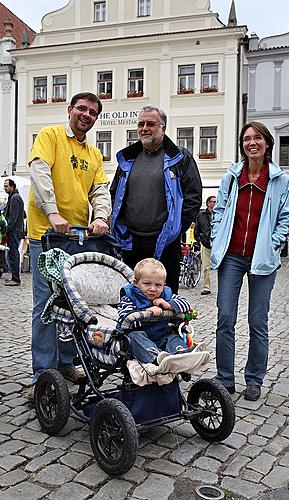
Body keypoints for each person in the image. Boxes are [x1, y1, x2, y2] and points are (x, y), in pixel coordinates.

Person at [211, 122, 289, 401]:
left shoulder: (281, 180)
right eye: (247, 138)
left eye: (257, 138)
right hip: (232, 257)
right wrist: (217, 237)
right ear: (242, 144)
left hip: (262, 258)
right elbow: (219, 211)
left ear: (267, 143)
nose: (252, 143)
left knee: (257, 321)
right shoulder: (231, 177)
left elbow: (288, 217)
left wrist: (273, 245)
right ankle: (225, 378)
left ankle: (254, 379)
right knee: (225, 317)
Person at [28, 92, 111, 385]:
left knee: (73, 303)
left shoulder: (94, 154)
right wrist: (51, 212)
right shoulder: (50, 136)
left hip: (76, 238)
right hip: (46, 236)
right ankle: (44, 376)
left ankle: (65, 363)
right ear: (70, 110)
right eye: (82, 109)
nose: (86, 115)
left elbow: (100, 189)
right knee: (46, 305)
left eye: (92, 112)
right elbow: (39, 172)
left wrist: (101, 217)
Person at [110, 105, 202, 293]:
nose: (145, 128)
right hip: (131, 243)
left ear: (163, 128)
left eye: (151, 124)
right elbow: (114, 194)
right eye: (141, 124)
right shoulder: (128, 158)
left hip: (166, 243)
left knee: (165, 299)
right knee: (132, 297)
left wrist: (175, 229)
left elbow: (193, 197)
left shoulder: (179, 157)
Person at [117, 258, 193, 364]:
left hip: (160, 337)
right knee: (134, 337)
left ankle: (181, 355)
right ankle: (156, 358)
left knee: (172, 337)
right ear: (136, 283)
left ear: (164, 285)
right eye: (147, 284)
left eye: (158, 285)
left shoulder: (166, 295)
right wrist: (146, 312)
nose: (153, 289)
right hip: (138, 343)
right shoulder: (129, 297)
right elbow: (123, 318)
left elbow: (186, 304)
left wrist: (168, 305)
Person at [3, 179, 25, 286]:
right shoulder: (14, 197)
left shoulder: (15, 198)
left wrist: (6, 229)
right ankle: (14, 277)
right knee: (12, 254)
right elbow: (23, 214)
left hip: (14, 231)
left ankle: (16, 279)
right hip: (15, 230)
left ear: (12, 186)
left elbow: (13, 217)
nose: (4, 188)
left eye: (6, 186)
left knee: (13, 254)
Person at [194, 195, 216, 295]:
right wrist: (200, 238)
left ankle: (224, 287)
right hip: (206, 243)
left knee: (222, 267)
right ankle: (207, 287)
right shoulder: (201, 215)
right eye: (213, 201)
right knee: (206, 267)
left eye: (216, 202)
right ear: (208, 203)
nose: (215, 203)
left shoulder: (219, 214)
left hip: (217, 244)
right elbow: (197, 229)